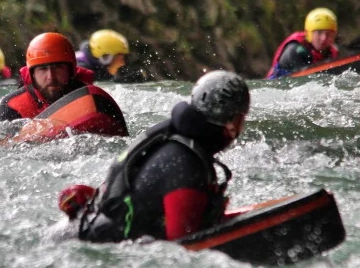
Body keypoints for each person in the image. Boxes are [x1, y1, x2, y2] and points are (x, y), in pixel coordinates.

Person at [58, 70, 250, 243]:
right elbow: (184, 247)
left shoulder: (175, 141)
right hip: (99, 247)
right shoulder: (186, 165)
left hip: (86, 232)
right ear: (232, 123)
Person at [0, 32, 94, 121]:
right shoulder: (11, 107)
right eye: (43, 69)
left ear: (71, 70)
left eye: (58, 68)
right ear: (32, 74)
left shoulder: (91, 98)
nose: (51, 77)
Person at [266, 8, 339, 79]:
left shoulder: (331, 53)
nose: (324, 38)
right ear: (309, 33)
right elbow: (307, 79)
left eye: (329, 34)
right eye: (319, 32)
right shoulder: (294, 50)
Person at [76, 29, 149, 82]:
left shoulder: (96, 66)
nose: (122, 62)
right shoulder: (81, 68)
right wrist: (129, 81)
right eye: (119, 56)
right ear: (106, 57)